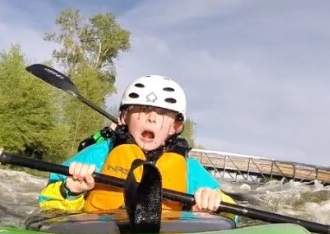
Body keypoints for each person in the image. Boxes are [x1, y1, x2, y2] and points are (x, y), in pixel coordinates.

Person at [38, 74, 233, 213]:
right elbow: (47, 203)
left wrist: (213, 202)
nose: (152, 119)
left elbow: (231, 211)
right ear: (124, 117)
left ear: (175, 126)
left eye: (164, 113)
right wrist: (70, 191)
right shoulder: (98, 155)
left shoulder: (189, 169)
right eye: (142, 109)